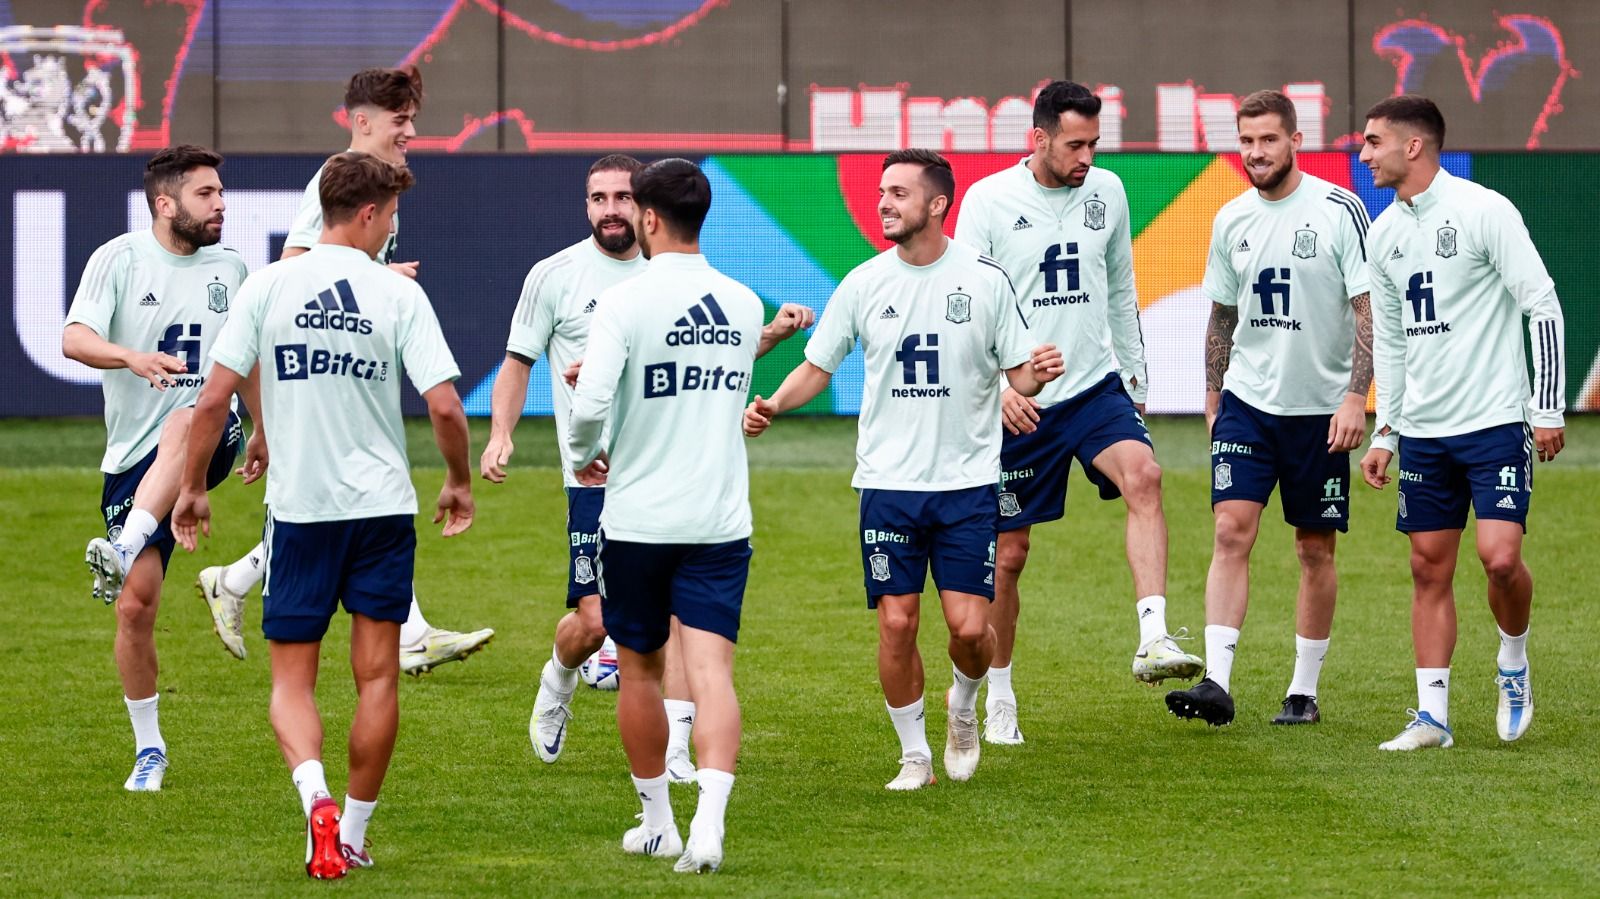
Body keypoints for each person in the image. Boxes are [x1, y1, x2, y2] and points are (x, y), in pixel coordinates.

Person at [173, 152, 474, 877]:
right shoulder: (396, 294)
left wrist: (192, 488)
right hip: (382, 511)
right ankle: (358, 831)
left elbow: (213, 399)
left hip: (300, 513)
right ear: (367, 214)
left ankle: (315, 798)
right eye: (392, 215)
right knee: (377, 679)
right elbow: (443, 404)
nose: (393, 227)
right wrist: (459, 480)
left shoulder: (267, 285)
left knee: (291, 684)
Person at [481, 154, 812, 776]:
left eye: (622, 197)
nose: (611, 209)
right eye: (598, 197)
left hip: (670, 473)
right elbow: (519, 362)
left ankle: (680, 751)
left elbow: (707, 352)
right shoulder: (555, 276)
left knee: (680, 623)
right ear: (586, 206)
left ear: (647, 209)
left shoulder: (679, 280)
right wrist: (501, 434)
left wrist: (768, 333)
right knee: (594, 619)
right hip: (594, 478)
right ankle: (558, 681)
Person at [746, 149, 1063, 790]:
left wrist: (1036, 374)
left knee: (971, 631)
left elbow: (1016, 372)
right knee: (897, 620)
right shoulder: (864, 282)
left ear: (938, 204)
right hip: (888, 485)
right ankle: (914, 754)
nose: (884, 203)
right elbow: (818, 364)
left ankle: (964, 707)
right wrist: (775, 403)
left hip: (968, 484)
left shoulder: (985, 279)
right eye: (881, 192)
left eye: (898, 192)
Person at [194, 65, 492, 673]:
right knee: (344, 490)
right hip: (319, 361)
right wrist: (380, 279)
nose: (410, 130)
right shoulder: (332, 183)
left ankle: (235, 580)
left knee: (344, 497)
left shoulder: (377, 182)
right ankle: (407, 634)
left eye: (412, 119)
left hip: (347, 358)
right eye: (400, 121)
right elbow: (296, 265)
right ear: (363, 122)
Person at [953, 80, 1198, 744]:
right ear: (1037, 139)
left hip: (1094, 389)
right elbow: (968, 302)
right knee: (1009, 554)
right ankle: (997, 693)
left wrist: (1137, 372)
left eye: (1094, 143)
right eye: (1074, 144)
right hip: (1020, 400)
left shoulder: (1108, 193)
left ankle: (1152, 636)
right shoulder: (988, 201)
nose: (1087, 156)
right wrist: (1000, 386)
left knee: (1144, 476)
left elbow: (1119, 281)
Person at [566, 158, 772, 874]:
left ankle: (658, 822)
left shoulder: (624, 301)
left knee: (640, 672)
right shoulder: (744, 304)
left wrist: (585, 452)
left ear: (649, 219)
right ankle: (708, 826)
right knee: (712, 672)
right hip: (719, 518)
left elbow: (591, 404)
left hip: (639, 521)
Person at [1357, 95, 1565, 750]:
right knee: (1427, 566)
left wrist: (1549, 405)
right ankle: (1433, 717)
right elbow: (1389, 340)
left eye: (1372, 142)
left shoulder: (1484, 211)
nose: (1363, 155)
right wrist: (1385, 429)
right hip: (1423, 429)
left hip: (1497, 419)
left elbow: (1543, 301)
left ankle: (1513, 659)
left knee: (1500, 559)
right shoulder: (1382, 233)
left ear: (1412, 146)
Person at [1162, 91, 1372, 727]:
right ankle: (1217, 684)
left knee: (1314, 549)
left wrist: (1356, 396)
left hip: (1320, 412)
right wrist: (1211, 390)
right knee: (1231, 529)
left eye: (1268, 140)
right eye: (1246, 141)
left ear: (1295, 140)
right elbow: (1223, 313)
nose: (1255, 152)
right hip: (1248, 404)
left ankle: (1303, 692)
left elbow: (1369, 312)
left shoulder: (1342, 209)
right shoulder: (1231, 219)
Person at [66, 144, 262, 791]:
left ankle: (122, 545)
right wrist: (131, 357)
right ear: (165, 203)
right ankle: (150, 749)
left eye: (221, 192)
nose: (221, 204)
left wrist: (260, 426)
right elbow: (73, 337)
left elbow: (248, 357)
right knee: (135, 609)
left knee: (189, 417)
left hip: (211, 434)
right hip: (133, 460)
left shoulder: (232, 268)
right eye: (206, 194)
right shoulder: (118, 259)